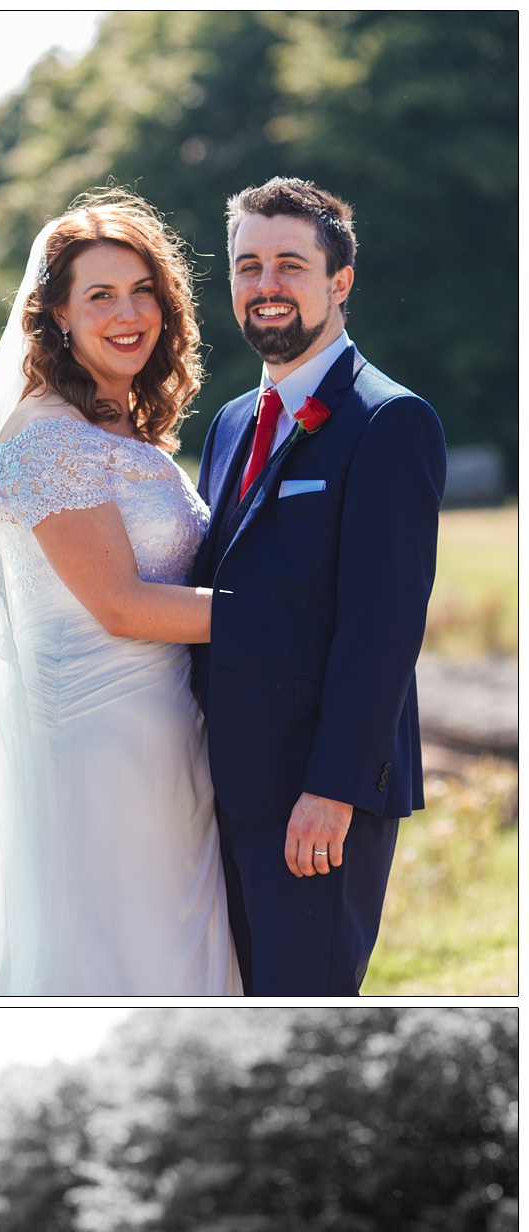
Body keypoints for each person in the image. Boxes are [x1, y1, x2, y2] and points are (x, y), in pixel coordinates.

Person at [0, 189, 240, 996]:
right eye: (100, 295)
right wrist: (296, 620)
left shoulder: (115, 427)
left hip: (167, 739)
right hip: (100, 751)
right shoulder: (44, 437)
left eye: (143, 290)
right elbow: (123, 605)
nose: (128, 312)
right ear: (59, 317)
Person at [190, 178, 446, 995]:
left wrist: (332, 790)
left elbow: (384, 628)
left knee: (307, 1012)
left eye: (290, 265)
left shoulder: (390, 421)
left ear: (339, 282)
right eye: (248, 266)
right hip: (221, 792)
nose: (266, 286)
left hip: (316, 802)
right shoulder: (231, 421)